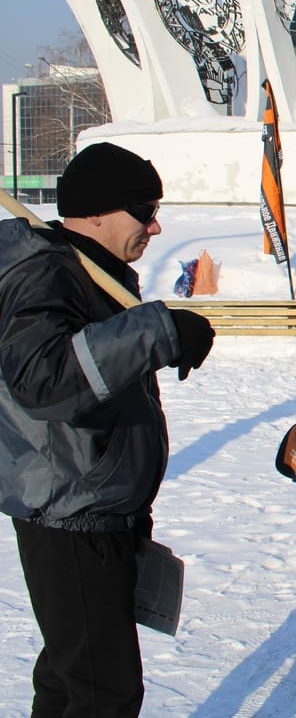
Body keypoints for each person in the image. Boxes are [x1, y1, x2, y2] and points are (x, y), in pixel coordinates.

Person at [0, 142, 215, 716]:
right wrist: (159, 332)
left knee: (72, 681)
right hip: (69, 511)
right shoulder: (46, 273)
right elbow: (43, 379)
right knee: (103, 693)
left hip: (100, 506)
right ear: (96, 211)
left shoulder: (91, 269)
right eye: (143, 210)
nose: (155, 223)